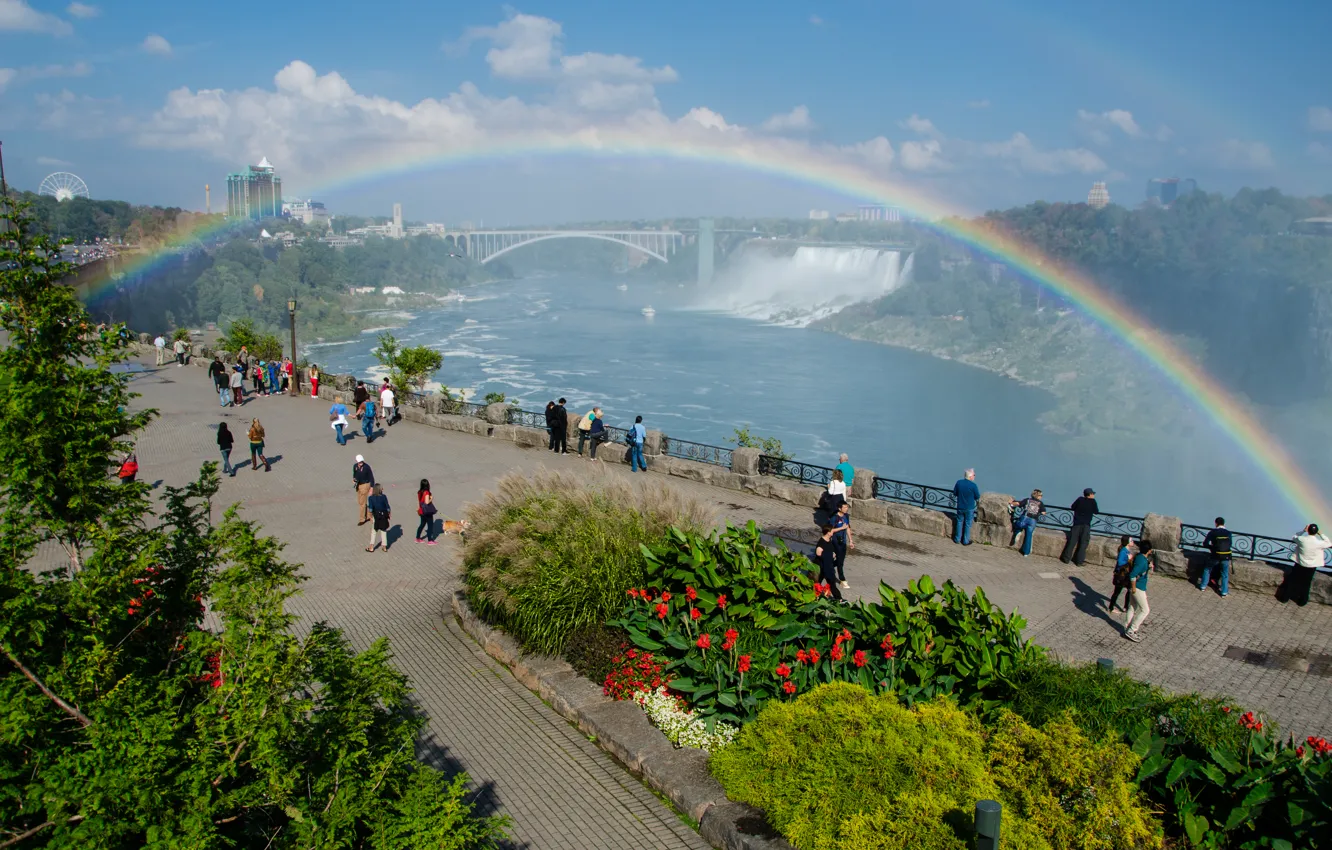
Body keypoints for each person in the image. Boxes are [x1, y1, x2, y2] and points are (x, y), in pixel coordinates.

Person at [1290, 523, 1331, 606]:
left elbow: (1294, 537)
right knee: (1306, 584)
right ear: (1316, 532)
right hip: (1311, 566)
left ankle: (1284, 598)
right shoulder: (1319, 543)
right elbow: (1329, 543)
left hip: (1300, 563)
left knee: (1293, 580)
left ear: (1308, 530)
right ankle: (1302, 601)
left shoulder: (1301, 539)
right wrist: (1321, 534)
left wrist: (1303, 531)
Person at [1123, 539, 1155, 642]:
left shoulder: (1140, 557)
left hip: (1136, 587)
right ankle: (1132, 630)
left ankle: (1126, 627)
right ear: (1149, 550)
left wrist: (1148, 567)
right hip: (1138, 588)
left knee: (1132, 607)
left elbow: (1140, 569)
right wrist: (1133, 588)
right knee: (1145, 610)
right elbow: (1133, 575)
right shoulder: (1142, 561)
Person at [1061, 488, 1099, 566]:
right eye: (1093, 494)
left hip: (1076, 524)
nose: (1094, 495)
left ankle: (1066, 558)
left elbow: (1072, 507)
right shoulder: (1093, 502)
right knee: (1083, 543)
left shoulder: (1079, 499)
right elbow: (1096, 511)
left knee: (1072, 541)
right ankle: (1079, 561)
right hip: (1086, 525)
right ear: (1090, 494)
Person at [1199, 517, 1233, 597]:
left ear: (1216, 523)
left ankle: (1203, 586)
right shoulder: (1228, 533)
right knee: (1225, 573)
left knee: (1207, 569)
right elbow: (1230, 544)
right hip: (1226, 556)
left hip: (1215, 555)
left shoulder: (1213, 532)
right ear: (1224, 523)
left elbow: (1205, 543)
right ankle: (1224, 592)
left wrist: (1212, 547)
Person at [1010, 489, 1046, 557]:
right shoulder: (1041, 503)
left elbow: (1018, 503)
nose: (1041, 496)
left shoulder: (1027, 500)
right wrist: (1039, 512)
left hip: (1024, 518)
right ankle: (1026, 552)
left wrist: (1011, 503)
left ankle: (1018, 532)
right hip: (1033, 521)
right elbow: (1044, 513)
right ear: (1038, 496)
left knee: (1017, 524)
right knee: (1029, 536)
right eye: (1041, 495)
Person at [813, 525, 844, 601]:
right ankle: (814, 596)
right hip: (821, 566)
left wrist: (833, 554)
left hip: (827, 566)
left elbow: (831, 550)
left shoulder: (830, 540)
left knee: (831, 583)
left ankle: (839, 599)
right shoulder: (821, 543)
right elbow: (818, 553)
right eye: (831, 530)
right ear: (828, 533)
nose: (833, 531)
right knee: (817, 582)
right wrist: (830, 555)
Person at [952, 468, 981, 545]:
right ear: (970, 476)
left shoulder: (959, 483)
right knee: (968, 524)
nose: (975, 476)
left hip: (960, 506)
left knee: (959, 522)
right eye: (974, 475)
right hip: (969, 508)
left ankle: (957, 539)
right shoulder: (973, 485)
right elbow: (977, 496)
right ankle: (965, 541)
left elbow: (955, 493)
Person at [1108, 535, 1135, 612]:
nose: (1133, 542)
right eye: (1131, 541)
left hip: (1126, 574)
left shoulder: (1127, 550)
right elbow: (1120, 563)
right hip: (1122, 575)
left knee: (1129, 590)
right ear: (1127, 543)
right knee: (1117, 592)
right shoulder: (1123, 551)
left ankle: (1125, 607)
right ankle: (1111, 608)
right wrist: (1128, 559)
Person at [831, 501, 854, 589]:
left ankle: (827, 566)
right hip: (836, 542)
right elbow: (830, 531)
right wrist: (841, 528)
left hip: (843, 542)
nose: (846, 509)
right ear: (839, 508)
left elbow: (847, 528)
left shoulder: (846, 516)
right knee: (840, 563)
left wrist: (851, 540)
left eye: (847, 507)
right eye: (844, 507)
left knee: (841, 560)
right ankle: (842, 580)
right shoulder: (834, 518)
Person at [366, 484, 392, 553]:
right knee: (383, 530)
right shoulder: (384, 497)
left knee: (374, 531)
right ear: (379, 490)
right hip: (383, 515)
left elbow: (371, 509)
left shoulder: (371, 498)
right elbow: (387, 507)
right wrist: (389, 513)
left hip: (376, 516)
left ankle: (371, 547)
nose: (383, 489)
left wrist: (370, 516)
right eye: (382, 488)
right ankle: (384, 546)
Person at [353, 455, 375, 525]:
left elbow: (371, 478)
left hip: (365, 485)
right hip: (358, 485)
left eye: (361, 461)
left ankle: (362, 519)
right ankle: (369, 515)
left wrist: (371, 488)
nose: (361, 463)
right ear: (356, 461)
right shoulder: (355, 466)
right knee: (360, 502)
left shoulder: (366, 467)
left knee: (362, 503)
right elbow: (354, 474)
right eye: (359, 462)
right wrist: (353, 479)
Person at [416, 479, 438, 544]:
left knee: (422, 524)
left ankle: (417, 538)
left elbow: (419, 501)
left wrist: (418, 509)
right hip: (427, 511)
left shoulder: (419, 492)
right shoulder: (426, 492)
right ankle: (430, 540)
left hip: (421, 510)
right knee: (430, 525)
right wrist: (431, 498)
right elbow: (427, 502)